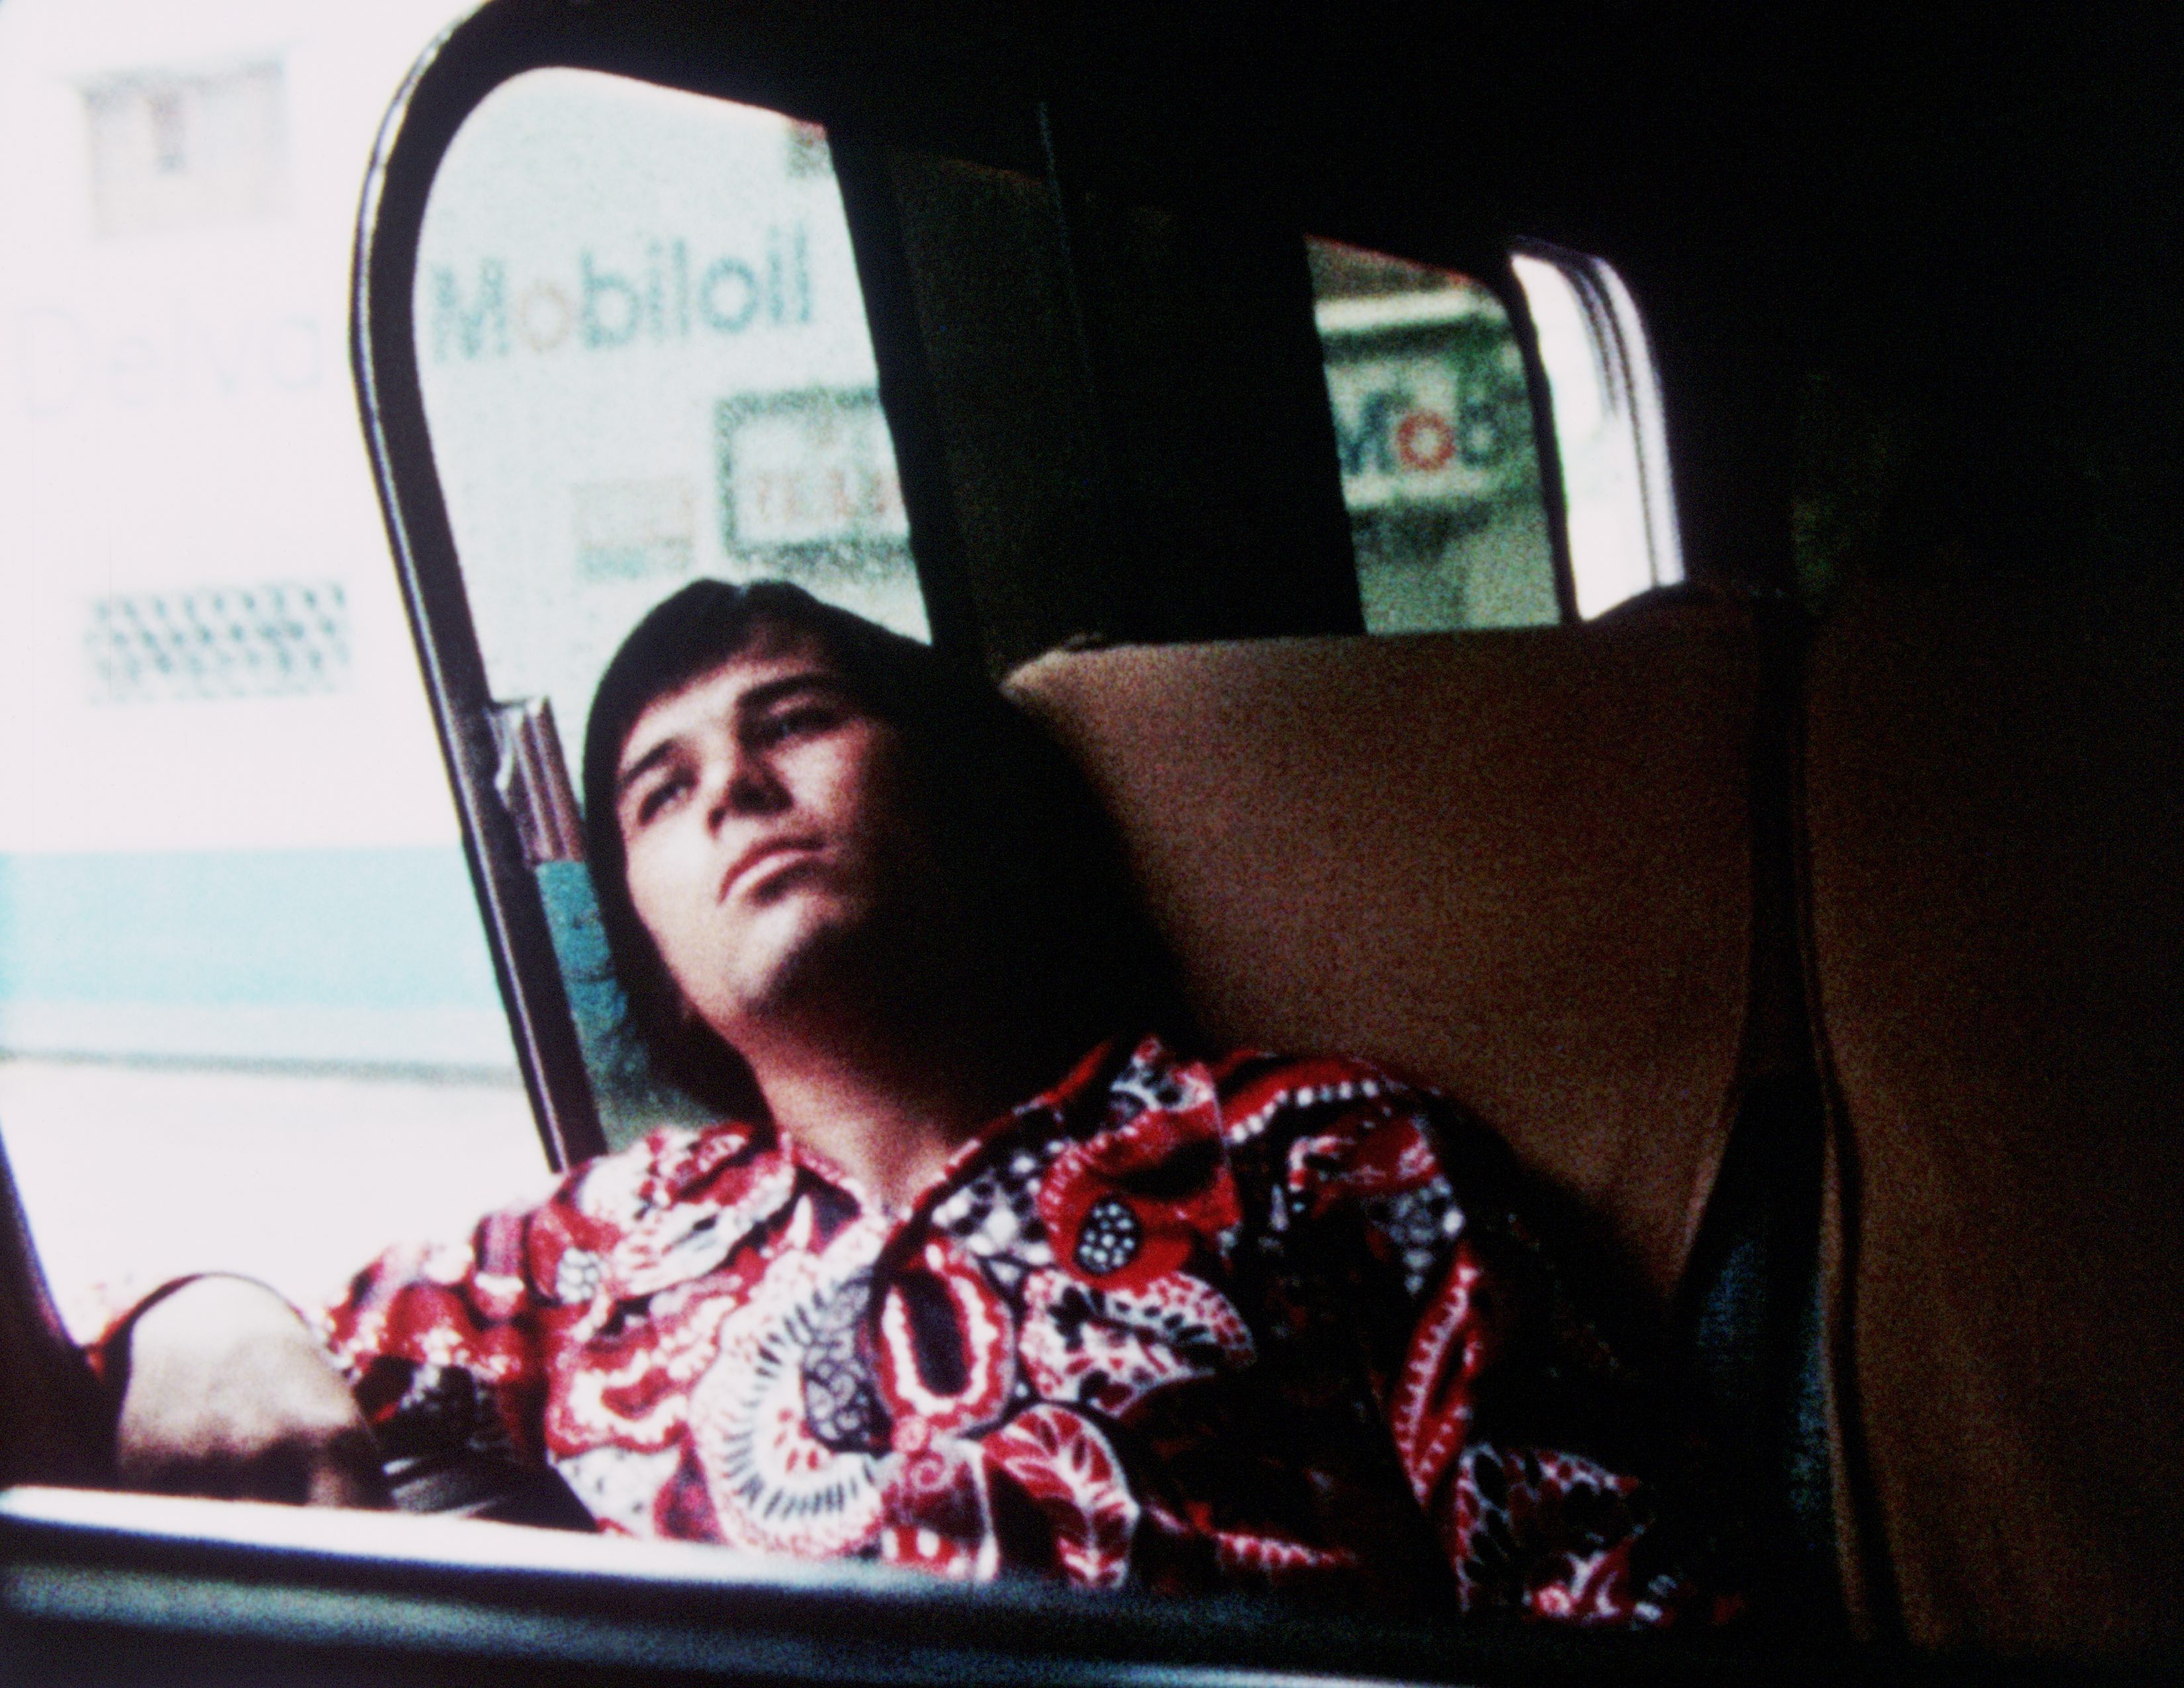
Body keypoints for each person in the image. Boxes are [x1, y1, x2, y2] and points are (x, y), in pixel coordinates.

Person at [103, 581, 1723, 1622]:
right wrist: (209, 1308)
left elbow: (1613, 1609)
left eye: (795, 722)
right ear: (658, 956)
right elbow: (230, 1352)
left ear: (968, 810)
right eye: (659, 792)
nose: (733, 787)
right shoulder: (602, 1251)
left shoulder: (1312, 1146)